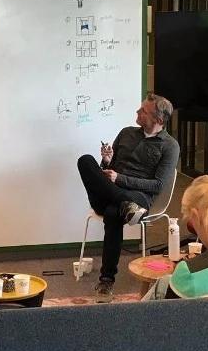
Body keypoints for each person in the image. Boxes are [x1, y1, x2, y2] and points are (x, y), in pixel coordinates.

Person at [76, 93, 180, 300]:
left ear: (159, 119)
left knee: (113, 213)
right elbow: (109, 168)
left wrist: (120, 178)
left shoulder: (170, 146)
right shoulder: (126, 133)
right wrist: (107, 161)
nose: (137, 112)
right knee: (85, 160)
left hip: (139, 198)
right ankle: (125, 204)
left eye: (143, 111)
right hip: (116, 197)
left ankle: (106, 280)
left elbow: (158, 185)